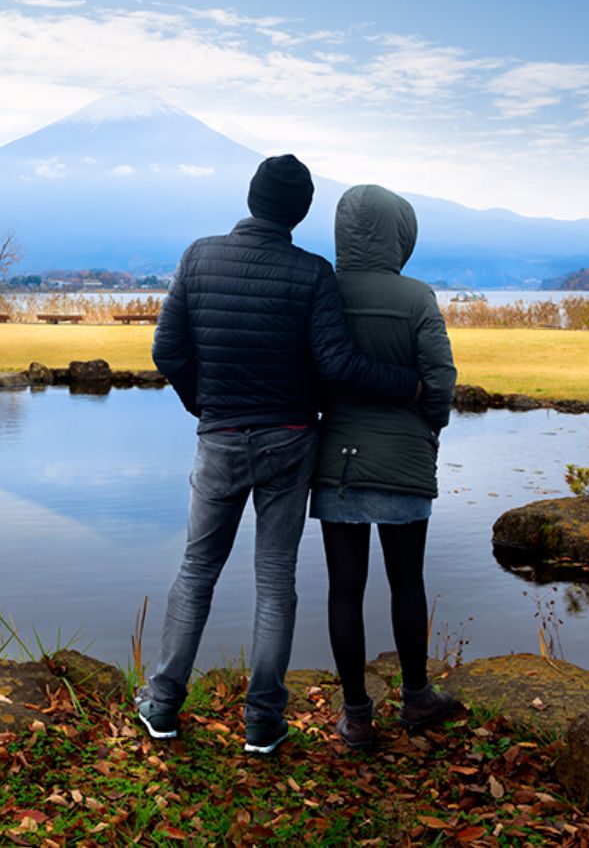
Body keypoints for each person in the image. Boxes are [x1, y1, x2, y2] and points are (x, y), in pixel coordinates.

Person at [138, 155, 422, 755]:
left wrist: (205, 406)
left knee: (196, 571)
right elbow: (338, 366)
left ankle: (163, 703)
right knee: (275, 582)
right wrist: (410, 386)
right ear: (301, 211)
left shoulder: (198, 256)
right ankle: (263, 720)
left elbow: (168, 350)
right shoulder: (312, 273)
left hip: (220, 439)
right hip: (290, 440)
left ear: (251, 198)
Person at [310, 184, 458, 749]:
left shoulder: (324, 291)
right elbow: (440, 379)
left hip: (337, 460)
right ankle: (416, 696)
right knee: (407, 581)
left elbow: (312, 371)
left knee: (344, 589)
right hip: (404, 456)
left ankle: (356, 714)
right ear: (400, 233)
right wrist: (427, 427)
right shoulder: (416, 297)